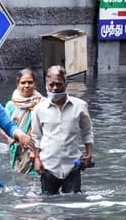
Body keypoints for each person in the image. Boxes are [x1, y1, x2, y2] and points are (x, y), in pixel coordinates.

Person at [31, 65, 94, 194]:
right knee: (48, 205)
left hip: (72, 166)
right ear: (46, 85)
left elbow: (87, 131)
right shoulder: (39, 109)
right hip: (47, 166)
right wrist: (36, 159)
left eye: (58, 84)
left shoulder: (80, 106)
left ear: (66, 83)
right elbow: (36, 136)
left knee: (73, 205)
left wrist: (89, 154)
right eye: (51, 84)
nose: (55, 88)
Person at [3, 68, 44, 173]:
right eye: (23, 82)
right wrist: (10, 140)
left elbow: (48, 128)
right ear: (18, 85)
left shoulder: (43, 104)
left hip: (38, 150)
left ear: (35, 84)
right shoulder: (11, 105)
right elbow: (3, 126)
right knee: (19, 180)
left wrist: (35, 150)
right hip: (17, 150)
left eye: (30, 82)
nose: (26, 85)